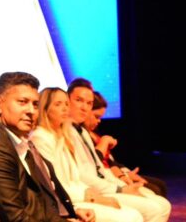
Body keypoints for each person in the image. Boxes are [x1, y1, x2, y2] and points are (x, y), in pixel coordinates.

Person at [0, 72, 94, 222]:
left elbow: (42, 203)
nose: (31, 111)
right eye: (22, 102)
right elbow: (14, 216)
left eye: (35, 104)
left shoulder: (20, 141)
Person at [32, 87, 143, 222]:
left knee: (135, 212)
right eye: (58, 104)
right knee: (131, 216)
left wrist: (93, 193)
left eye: (66, 104)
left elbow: (77, 177)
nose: (65, 108)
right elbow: (55, 185)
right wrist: (93, 197)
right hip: (66, 203)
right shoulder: (40, 138)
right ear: (45, 108)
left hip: (79, 195)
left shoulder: (62, 136)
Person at [67, 79, 170, 222]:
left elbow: (100, 169)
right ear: (67, 100)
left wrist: (123, 184)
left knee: (162, 204)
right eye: (79, 100)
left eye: (89, 103)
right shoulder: (64, 133)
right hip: (89, 192)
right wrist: (120, 189)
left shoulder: (82, 132)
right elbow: (85, 176)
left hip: (102, 187)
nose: (84, 107)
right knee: (149, 211)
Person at [86, 92, 167, 199]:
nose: (99, 121)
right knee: (154, 189)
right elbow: (95, 163)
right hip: (105, 177)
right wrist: (122, 176)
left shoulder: (95, 133)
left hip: (114, 173)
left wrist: (125, 172)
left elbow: (110, 161)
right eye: (96, 116)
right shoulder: (83, 136)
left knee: (160, 185)